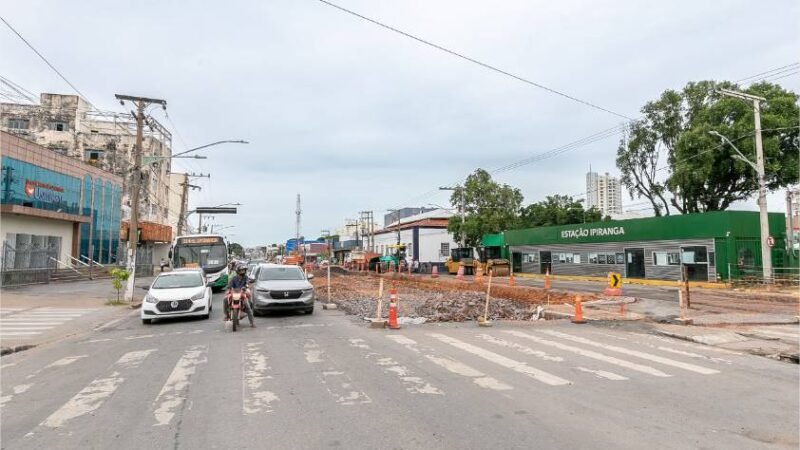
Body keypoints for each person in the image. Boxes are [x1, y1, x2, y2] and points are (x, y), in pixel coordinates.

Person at [225, 262, 255, 327]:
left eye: (244, 270)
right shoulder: (234, 278)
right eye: (241, 270)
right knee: (225, 299)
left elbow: (248, 283)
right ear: (238, 271)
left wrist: (246, 286)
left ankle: (252, 323)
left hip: (243, 293)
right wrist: (228, 289)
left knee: (248, 306)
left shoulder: (246, 277)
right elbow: (229, 285)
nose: (243, 271)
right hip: (234, 293)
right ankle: (226, 314)